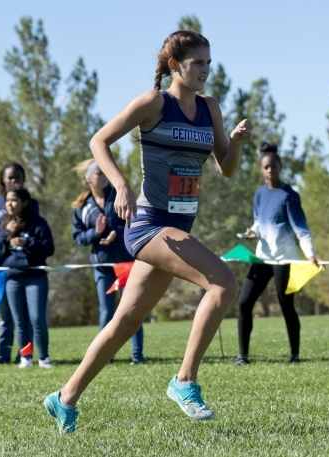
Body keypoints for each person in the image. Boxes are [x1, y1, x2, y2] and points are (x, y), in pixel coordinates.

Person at [44, 30, 252, 433]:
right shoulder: (154, 103)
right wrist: (120, 185)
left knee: (125, 322)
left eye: (209, 62)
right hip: (149, 225)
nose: (206, 69)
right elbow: (99, 140)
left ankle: (64, 397)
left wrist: (238, 143)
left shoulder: (211, 108)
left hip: (177, 226)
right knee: (223, 283)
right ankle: (184, 380)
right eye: (198, 63)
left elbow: (226, 167)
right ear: (175, 66)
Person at [235, 142, 319, 366]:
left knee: (286, 305)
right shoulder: (260, 194)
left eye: (273, 166)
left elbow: (302, 230)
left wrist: (310, 255)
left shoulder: (289, 195)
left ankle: (295, 355)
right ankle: (242, 356)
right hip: (262, 257)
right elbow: (259, 222)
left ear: (280, 167)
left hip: (285, 259)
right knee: (244, 303)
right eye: (266, 167)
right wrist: (252, 232)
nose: (270, 170)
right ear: (261, 170)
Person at [72, 158, 144, 364]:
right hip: (102, 267)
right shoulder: (82, 208)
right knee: (107, 312)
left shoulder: (120, 196)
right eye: (99, 173)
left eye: (105, 172)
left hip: (127, 264)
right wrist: (96, 233)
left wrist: (117, 233)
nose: (103, 176)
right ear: (88, 179)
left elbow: (135, 224)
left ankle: (137, 356)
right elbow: (78, 237)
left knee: (133, 310)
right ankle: (107, 358)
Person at [0, 187, 54, 368]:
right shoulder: (3, 223)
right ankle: (25, 357)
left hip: (35, 277)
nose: (9, 204)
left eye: (14, 200)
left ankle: (43, 358)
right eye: (7, 200)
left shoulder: (38, 222)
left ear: (25, 202)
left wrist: (28, 242)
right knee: (18, 322)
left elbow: (49, 248)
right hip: (12, 278)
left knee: (37, 319)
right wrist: (5, 234)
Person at [0, 162, 39, 364]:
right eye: (10, 177)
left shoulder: (31, 203)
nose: (14, 180)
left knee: (27, 317)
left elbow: (35, 228)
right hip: (0, 266)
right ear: (3, 180)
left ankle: (25, 354)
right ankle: (3, 356)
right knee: (5, 315)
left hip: (25, 267)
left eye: (17, 177)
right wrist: (6, 230)